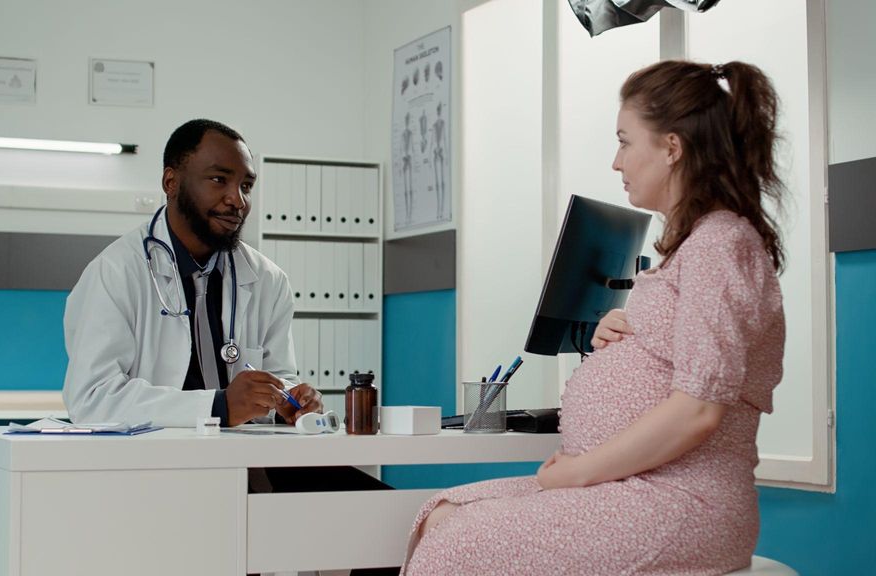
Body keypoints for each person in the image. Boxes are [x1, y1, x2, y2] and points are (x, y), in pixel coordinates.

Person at [401, 60, 787, 575]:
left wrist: (580, 471)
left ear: (672, 148)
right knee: (442, 513)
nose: (615, 161)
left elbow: (699, 410)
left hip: (683, 500)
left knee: (459, 544)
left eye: (625, 141)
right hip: (638, 486)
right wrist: (625, 336)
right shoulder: (697, 245)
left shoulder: (720, 244)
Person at [63, 119, 323, 429]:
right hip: (152, 464)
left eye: (246, 186)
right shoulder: (115, 273)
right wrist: (218, 406)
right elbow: (93, 399)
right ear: (171, 182)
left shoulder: (268, 280)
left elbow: (279, 376)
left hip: (246, 460)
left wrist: (288, 402)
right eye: (218, 179)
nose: (237, 200)